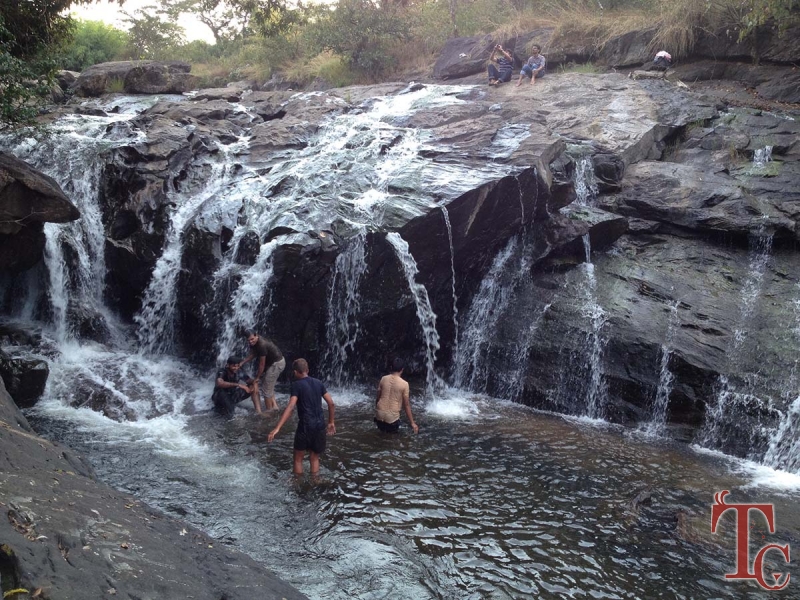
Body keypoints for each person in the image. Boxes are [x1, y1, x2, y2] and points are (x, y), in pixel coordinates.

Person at [268, 358, 336, 475]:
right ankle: (315, 481)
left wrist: (278, 427)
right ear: (307, 370)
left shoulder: (296, 385)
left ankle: (297, 484)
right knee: (314, 457)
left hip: (305, 426)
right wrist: (331, 422)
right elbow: (331, 403)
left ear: (295, 372)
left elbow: (290, 407)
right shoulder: (318, 383)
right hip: (320, 426)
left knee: (298, 459)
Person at [240, 329, 285, 412]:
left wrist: (257, 377)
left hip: (276, 364)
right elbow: (254, 354)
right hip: (272, 363)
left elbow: (261, 365)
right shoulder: (254, 343)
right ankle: (275, 407)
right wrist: (243, 362)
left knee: (266, 390)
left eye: (252, 339)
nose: (250, 342)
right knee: (268, 385)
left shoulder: (262, 345)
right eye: (248, 340)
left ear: (256, 335)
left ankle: (269, 412)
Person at [375, 358, 419, 434]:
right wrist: (412, 422)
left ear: (391, 367)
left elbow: (378, 397)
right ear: (402, 369)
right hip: (392, 420)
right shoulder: (404, 384)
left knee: (382, 434)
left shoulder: (383, 379)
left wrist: (378, 410)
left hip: (379, 417)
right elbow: (406, 405)